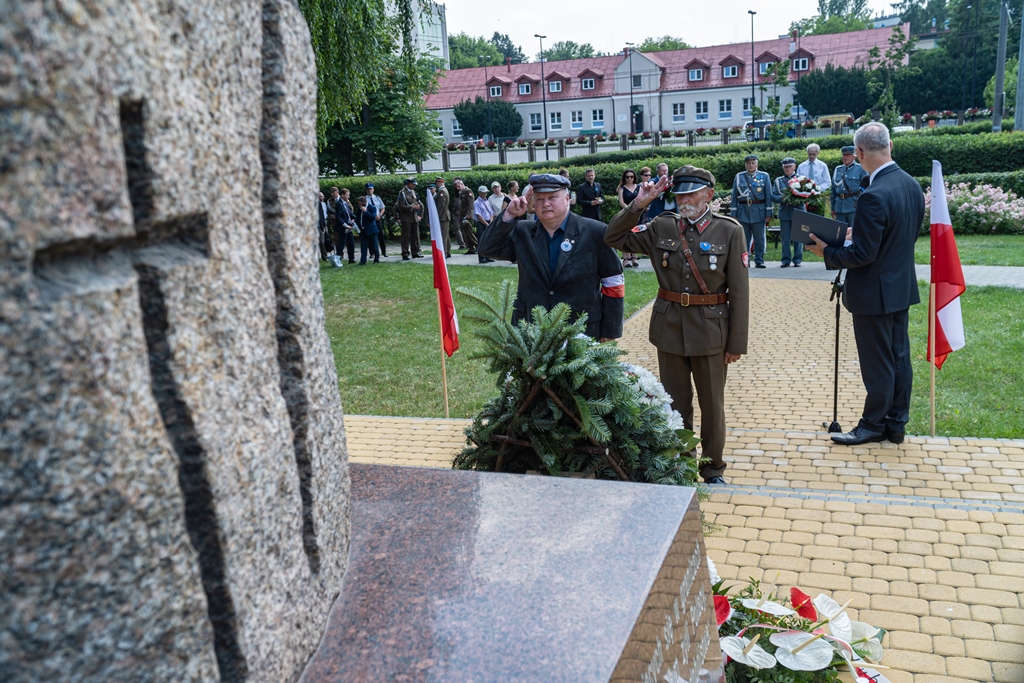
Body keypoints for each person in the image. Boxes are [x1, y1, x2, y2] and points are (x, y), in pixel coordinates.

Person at [606, 165, 749, 485]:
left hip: (712, 331)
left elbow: (739, 290)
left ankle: (712, 469)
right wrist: (639, 204)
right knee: (676, 404)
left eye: (691, 193)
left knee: (713, 406)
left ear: (709, 195)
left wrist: (736, 343)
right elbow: (613, 237)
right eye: (680, 193)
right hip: (669, 328)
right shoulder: (662, 225)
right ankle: (682, 465)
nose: (683, 198)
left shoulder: (729, 230)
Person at [805, 122, 924, 446]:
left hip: (874, 293)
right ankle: (896, 424)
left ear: (858, 153)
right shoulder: (911, 185)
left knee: (878, 365)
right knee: (899, 358)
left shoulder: (873, 194)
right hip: (900, 287)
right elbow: (902, 236)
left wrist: (826, 251)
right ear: (890, 146)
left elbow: (862, 255)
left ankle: (872, 426)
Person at [479, 173, 624, 341]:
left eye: (552, 197)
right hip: (530, 330)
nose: (545, 204)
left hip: (581, 330)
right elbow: (487, 249)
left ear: (567, 198)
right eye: (539, 199)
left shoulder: (596, 232)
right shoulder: (522, 231)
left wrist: (610, 330)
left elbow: (614, 282)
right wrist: (509, 215)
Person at [730, 154, 772, 269]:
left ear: (757, 164)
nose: (751, 165)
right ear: (745, 165)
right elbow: (734, 196)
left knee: (760, 239)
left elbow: (768, 196)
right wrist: (733, 214)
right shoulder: (739, 177)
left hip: (759, 211)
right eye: (748, 163)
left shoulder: (764, 176)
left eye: (753, 163)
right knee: (744, 239)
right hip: (743, 212)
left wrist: (769, 213)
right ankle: (745, 260)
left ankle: (759, 260)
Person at [770, 158, 803, 268]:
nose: (788, 169)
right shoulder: (778, 181)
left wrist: (798, 197)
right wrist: (784, 198)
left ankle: (797, 259)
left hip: (798, 211)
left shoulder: (801, 179)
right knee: (785, 238)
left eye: (790, 166)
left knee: (798, 237)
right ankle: (785, 259)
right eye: (785, 167)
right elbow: (773, 196)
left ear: (794, 166)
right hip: (784, 212)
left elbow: (807, 194)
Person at [831, 145, 867, 226]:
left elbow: (865, 188)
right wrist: (833, 208)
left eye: (848, 155)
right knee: (839, 232)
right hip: (839, 206)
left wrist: (862, 207)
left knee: (854, 232)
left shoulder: (861, 169)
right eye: (844, 155)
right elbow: (833, 190)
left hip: (853, 206)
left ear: (854, 156)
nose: (845, 157)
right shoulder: (838, 169)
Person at [616, 169, 640, 268]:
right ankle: (626, 259)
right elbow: (621, 202)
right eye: (627, 177)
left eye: (631, 177)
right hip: (626, 214)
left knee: (635, 235)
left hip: (637, 214)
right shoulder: (622, 188)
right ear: (624, 178)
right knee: (625, 235)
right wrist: (629, 209)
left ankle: (634, 257)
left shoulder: (638, 187)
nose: (629, 179)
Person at [397, 177, 424, 260]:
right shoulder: (402, 193)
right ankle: (405, 253)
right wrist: (412, 208)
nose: (414, 185)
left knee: (415, 235)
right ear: (408, 184)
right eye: (413, 184)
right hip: (406, 217)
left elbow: (416, 202)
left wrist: (417, 207)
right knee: (405, 236)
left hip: (414, 217)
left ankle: (415, 252)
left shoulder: (413, 192)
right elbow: (400, 206)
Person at [454, 177, 477, 254]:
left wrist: (468, 214)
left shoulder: (468, 191)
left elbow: (470, 204)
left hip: (467, 216)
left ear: (462, 184)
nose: (458, 188)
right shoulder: (462, 192)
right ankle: (471, 248)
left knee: (469, 232)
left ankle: (478, 246)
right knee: (465, 233)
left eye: (458, 186)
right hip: (462, 215)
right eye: (456, 187)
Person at [354, 196, 380, 264]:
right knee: (363, 246)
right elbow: (358, 217)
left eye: (360, 203)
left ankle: (376, 259)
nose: (359, 205)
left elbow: (372, 217)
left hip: (371, 230)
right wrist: (353, 221)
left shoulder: (372, 207)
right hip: (363, 230)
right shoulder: (359, 208)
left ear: (364, 203)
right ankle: (363, 260)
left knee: (374, 245)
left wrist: (365, 211)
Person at [364, 183, 388, 257]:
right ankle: (372, 253)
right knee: (371, 237)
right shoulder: (365, 199)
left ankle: (384, 252)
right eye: (368, 189)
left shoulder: (377, 198)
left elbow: (382, 207)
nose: (369, 191)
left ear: (373, 189)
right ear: (366, 190)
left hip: (377, 219)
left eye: (370, 189)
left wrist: (380, 215)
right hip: (370, 220)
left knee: (381, 236)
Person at [473, 186, 495, 263]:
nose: (485, 194)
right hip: (481, 223)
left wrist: (491, 221)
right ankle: (482, 257)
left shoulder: (487, 201)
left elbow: (491, 212)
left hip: (488, 221)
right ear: (479, 193)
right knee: (481, 240)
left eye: (486, 192)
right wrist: (486, 224)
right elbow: (478, 215)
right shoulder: (476, 203)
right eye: (483, 193)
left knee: (488, 240)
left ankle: (488, 256)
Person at [335, 188, 356, 263]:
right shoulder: (339, 204)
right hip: (343, 228)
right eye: (347, 195)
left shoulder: (345, 203)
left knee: (351, 243)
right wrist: (345, 225)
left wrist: (354, 219)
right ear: (342, 195)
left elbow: (349, 214)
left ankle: (351, 259)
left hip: (349, 227)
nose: (348, 197)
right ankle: (337, 260)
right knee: (341, 244)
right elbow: (339, 217)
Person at [433, 177, 452, 258]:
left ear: (438, 183)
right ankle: (447, 251)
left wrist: (437, 216)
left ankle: (443, 252)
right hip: (445, 216)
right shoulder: (444, 190)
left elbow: (441, 205)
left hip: (443, 216)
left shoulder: (442, 191)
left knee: (443, 235)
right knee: (446, 235)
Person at [317, 190, 331, 260]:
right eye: (321, 196)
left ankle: (325, 255)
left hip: (323, 223)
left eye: (323, 196)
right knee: (319, 242)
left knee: (324, 240)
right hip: (317, 225)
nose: (323, 197)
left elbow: (325, 214)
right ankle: (321, 256)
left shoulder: (324, 204)